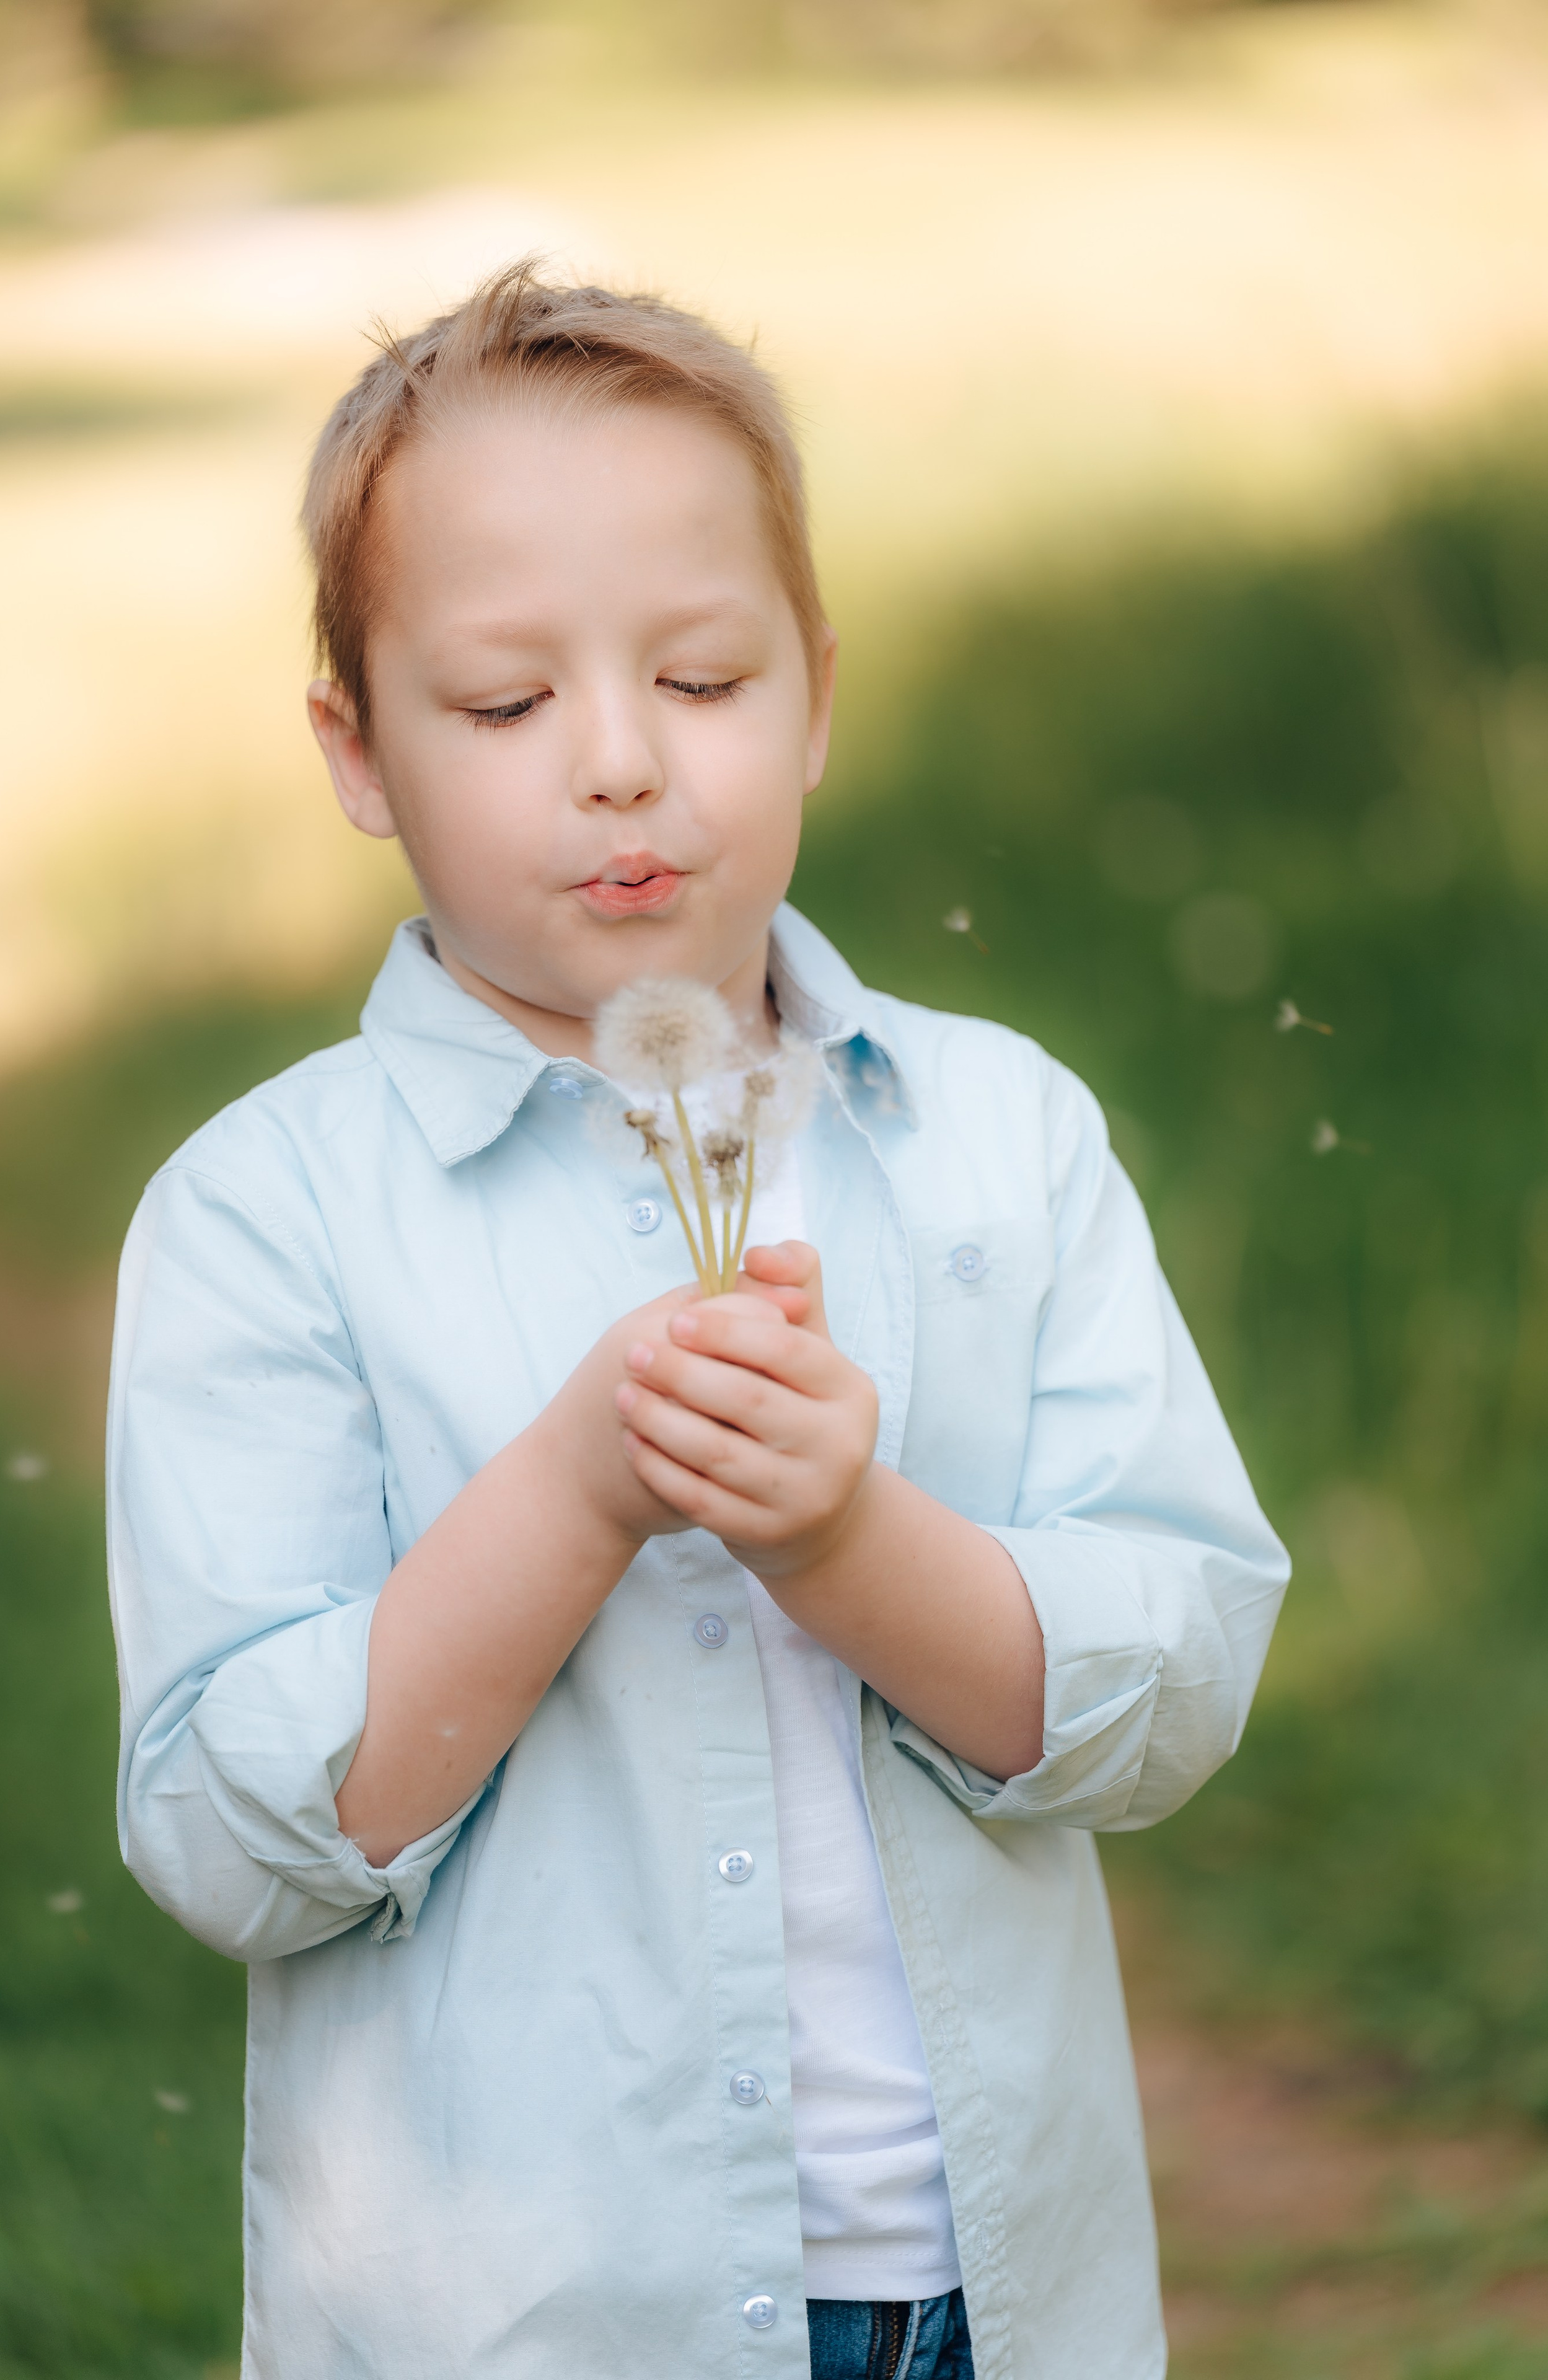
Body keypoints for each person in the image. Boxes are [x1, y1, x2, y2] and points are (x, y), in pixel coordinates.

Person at [107, 262, 1289, 2380]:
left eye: (706, 678)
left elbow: (1169, 1682)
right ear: (356, 750)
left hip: (980, 2294)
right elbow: (235, 1839)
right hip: (535, 2322)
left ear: (818, 696)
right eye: (502, 705)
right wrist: (571, 1491)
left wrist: (850, 1546)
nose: (625, 764)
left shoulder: (997, 1141)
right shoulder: (262, 1218)